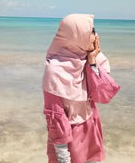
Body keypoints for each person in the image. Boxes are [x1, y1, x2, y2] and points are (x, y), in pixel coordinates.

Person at [42, 13, 121, 163]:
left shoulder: (91, 60)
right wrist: (63, 156)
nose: (96, 36)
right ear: (77, 36)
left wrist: (91, 62)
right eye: (91, 32)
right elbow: (55, 114)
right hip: (67, 138)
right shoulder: (55, 70)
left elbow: (102, 96)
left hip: (91, 127)